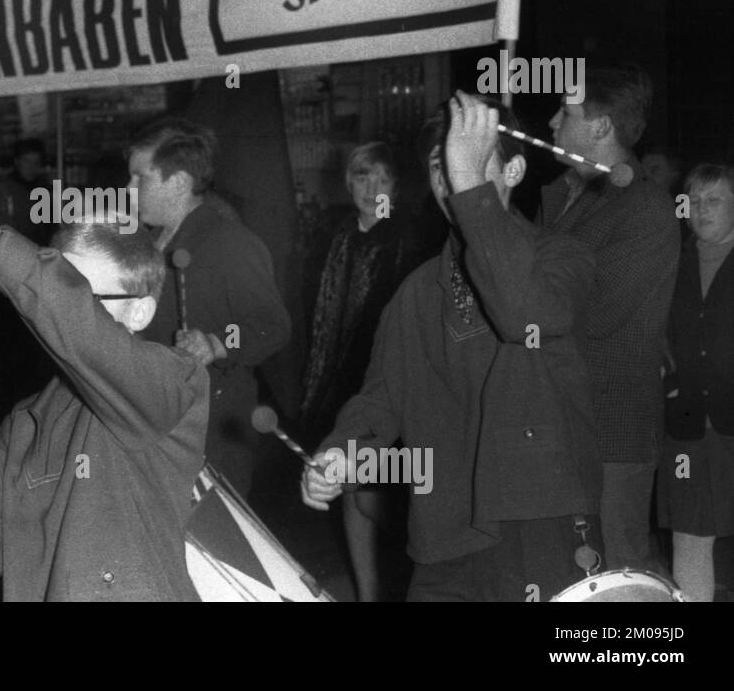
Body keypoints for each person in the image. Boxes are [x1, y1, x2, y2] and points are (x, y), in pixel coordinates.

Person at [0, 149, 209, 602]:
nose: (60, 310)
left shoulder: (174, 382)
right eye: (62, 293)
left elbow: (82, 331)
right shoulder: (28, 421)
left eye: (87, 298)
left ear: (141, 310)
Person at [301, 93, 603, 602]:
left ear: (513, 172)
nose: (449, 179)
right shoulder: (415, 291)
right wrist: (342, 453)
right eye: (441, 168)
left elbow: (523, 315)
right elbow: (381, 402)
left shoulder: (562, 256)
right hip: (442, 534)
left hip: (540, 524)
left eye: (467, 160)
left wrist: (473, 193)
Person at [540, 63, 680, 571]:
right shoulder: (565, 197)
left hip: (614, 433)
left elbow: (591, 315)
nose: (553, 121)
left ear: (600, 127)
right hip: (565, 424)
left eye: (566, 111)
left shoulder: (644, 207)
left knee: (620, 575)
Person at [128, 118, 290, 497]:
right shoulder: (148, 241)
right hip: (156, 421)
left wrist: (217, 344)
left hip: (212, 429)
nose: (129, 189)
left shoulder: (229, 242)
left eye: (140, 179)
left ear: (179, 183)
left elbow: (273, 324)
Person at [298, 142, 426, 602]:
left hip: (387, 388)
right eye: (361, 177)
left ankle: (404, 583)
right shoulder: (335, 235)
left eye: (383, 178)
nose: (371, 188)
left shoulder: (410, 237)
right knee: (350, 496)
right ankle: (369, 593)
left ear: (398, 185)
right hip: (336, 384)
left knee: (374, 495)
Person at [658, 164, 734, 601]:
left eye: (715, 200)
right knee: (689, 538)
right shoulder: (672, 258)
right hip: (684, 423)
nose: (701, 210)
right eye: (694, 201)